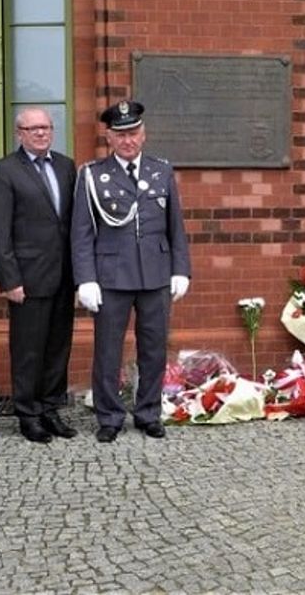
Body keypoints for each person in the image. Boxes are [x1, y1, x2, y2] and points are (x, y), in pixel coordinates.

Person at [72, 100, 191, 443]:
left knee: (153, 348)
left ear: (144, 133)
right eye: (121, 134)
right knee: (107, 350)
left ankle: (148, 412)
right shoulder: (93, 176)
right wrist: (86, 279)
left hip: (155, 274)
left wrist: (180, 269)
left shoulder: (161, 171)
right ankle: (109, 416)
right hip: (111, 277)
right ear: (108, 136)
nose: (129, 140)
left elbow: (175, 227)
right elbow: (81, 232)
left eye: (134, 132)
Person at [0, 107, 78, 444]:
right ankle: (28, 413)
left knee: (57, 347)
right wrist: (9, 280)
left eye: (45, 127)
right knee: (28, 350)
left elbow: (73, 225)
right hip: (27, 278)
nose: (40, 133)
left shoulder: (67, 166)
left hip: (63, 276)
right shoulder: (4, 171)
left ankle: (51, 408)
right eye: (32, 128)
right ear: (18, 133)